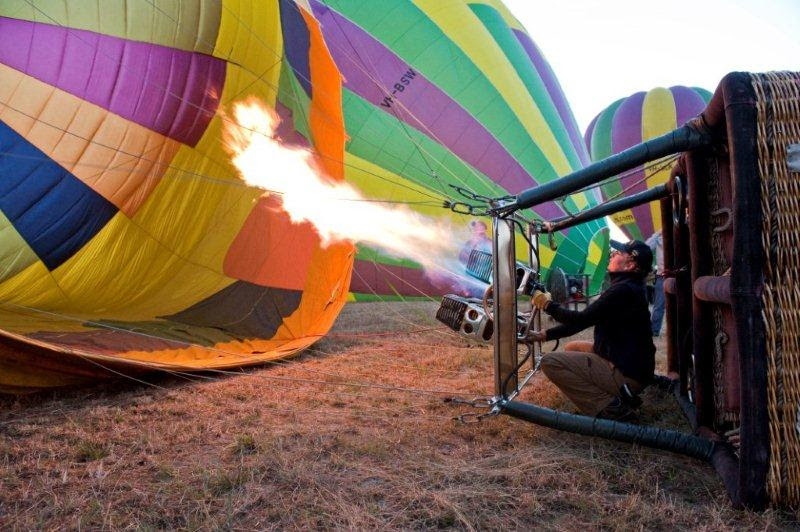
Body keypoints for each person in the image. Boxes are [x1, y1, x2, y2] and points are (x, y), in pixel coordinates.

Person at [528, 240, 656, 422]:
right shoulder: (628, 286)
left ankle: (611, 408)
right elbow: (583, 322)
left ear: (630, 264)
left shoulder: (623, 290)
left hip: (627, 374)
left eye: (619, 253)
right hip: (630, 364)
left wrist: (547, 304)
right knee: (572, 347)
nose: (612, 254)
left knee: (550, 362)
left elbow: (580, 320)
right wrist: (546, 335)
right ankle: (614, 390)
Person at [646, 229, 665, 336]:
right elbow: (647, 247)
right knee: (659, 304)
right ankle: (654, 330)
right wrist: (658, 233)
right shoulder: (659, 238)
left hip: (679, 274)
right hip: (662, 275)